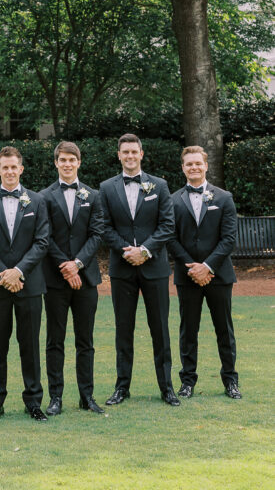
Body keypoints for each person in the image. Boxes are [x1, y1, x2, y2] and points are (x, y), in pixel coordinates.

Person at [99, 133, 179, 406]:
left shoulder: (159, 185)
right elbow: (104, 226)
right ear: (119, 155)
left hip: (154, 268)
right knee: (123, 329)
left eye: (134, 152)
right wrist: (126, 251)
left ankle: (167, 387)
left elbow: (167, 226)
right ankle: (122, 387)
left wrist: (144, 251)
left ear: (141, 154)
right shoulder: (107, 188)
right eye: (125, 152)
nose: (130, 156)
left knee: (160, 328)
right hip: (122, 270)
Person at [0, 146, 50, 422]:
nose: (9, 171)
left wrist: (18, 271)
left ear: (21, 169)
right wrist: (4, 274)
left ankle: (33, 400)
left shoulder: (37, 201)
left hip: (29, 285)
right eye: (4, 167)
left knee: (29, 344)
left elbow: (42, 241)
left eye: (13, 167)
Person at [169, 146, 241, 399]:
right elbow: (171, 238)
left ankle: (231, 380)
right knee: (188, 330)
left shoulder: (223, 198)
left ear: (206, 166)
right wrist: (193, 267)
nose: (194, 168)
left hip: (218, 275)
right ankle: (187, 381)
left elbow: (229, 238)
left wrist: (207, 266)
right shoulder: (173, 199)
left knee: (224, 329)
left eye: (198, 163)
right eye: (189, 164)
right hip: (187, 276)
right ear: (183, 168)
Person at [40, 141, 104, 415]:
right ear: (56, 163)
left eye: (72, 160)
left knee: (85, 340)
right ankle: (56, 397)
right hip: (55, 280)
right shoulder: (43, 196)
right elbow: (44, 237)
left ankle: (86, 396)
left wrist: (77, 264)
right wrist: (65, 267)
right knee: (55, 340)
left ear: (79, 162)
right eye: (62, 160)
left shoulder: (93, 195)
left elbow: (97, 234)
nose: (67, 164)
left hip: (86, 278)